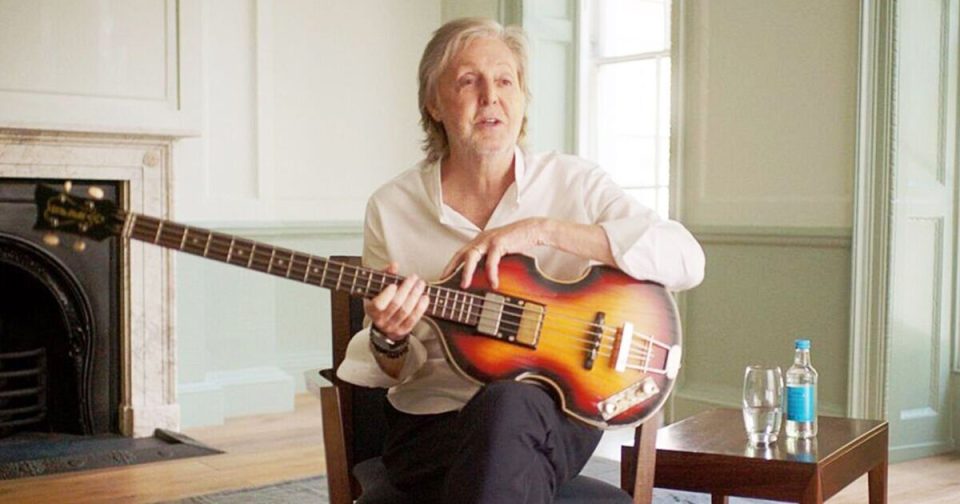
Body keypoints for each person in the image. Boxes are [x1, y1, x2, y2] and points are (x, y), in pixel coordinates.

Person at [337, 17, 705, 504]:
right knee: (502, 446)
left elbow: (686, 259)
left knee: (510, 404)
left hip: (553, 420)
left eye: (505, 80)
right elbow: (393, 370)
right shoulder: (391, 207)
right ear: (434, 103)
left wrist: (543, 230)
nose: (490, 96)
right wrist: (390, 336)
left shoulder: (575, 183)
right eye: (468, 81)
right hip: (435, 430)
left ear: (522, 97)